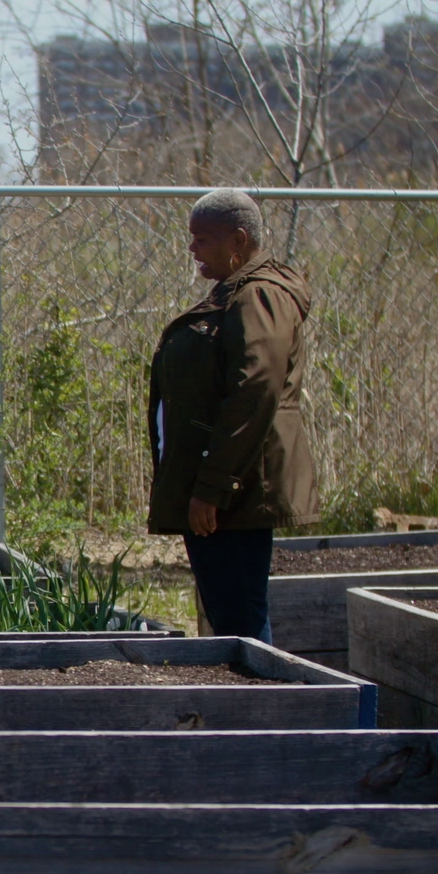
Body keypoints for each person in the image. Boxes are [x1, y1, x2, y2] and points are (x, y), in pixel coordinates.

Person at [146, 188, 317, 643]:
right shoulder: (238, 293)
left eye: (202, 239)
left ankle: (258, 712)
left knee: (239, 623)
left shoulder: (259, 296)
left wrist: (213, 488)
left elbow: (254, 390)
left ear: (238, 240)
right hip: (225, 488)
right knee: (229, 615)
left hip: (238, 492)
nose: (192, 249)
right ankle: (248, 708)